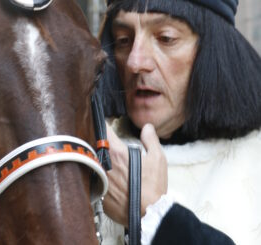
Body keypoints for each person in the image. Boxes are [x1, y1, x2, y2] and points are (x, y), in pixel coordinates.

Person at [97, 0, 261, 244]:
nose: (135, 62)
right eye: (123, 40)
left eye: (165, 38)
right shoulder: (81, 159)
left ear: (213, 48)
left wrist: (155, 214)